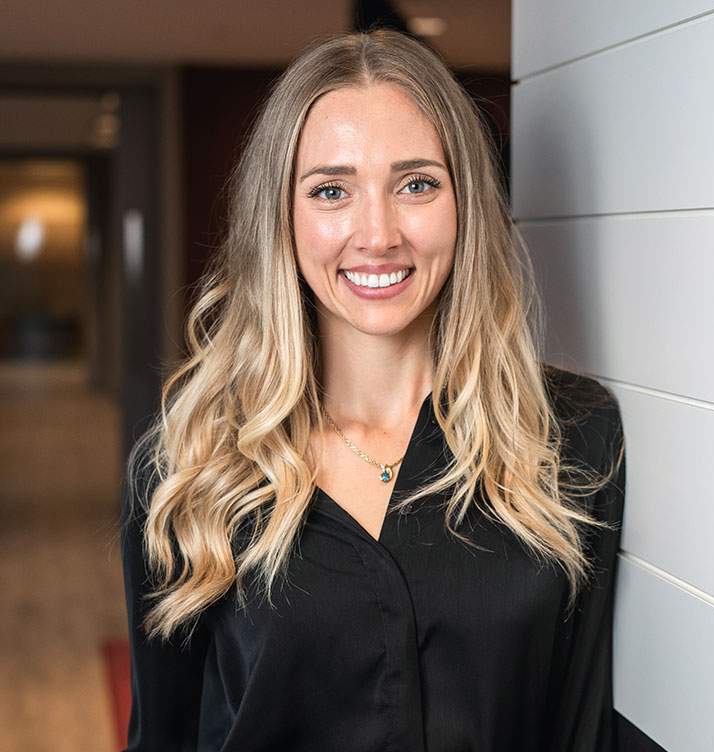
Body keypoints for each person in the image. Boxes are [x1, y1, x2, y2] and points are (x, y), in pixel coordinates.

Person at [122, 29, 625, 752]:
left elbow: (582, 729)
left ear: (466, 204)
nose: (378, 232)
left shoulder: (572, 438)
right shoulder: (191, 459)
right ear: (282, 219)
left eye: (416, 184)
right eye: (332, 190)